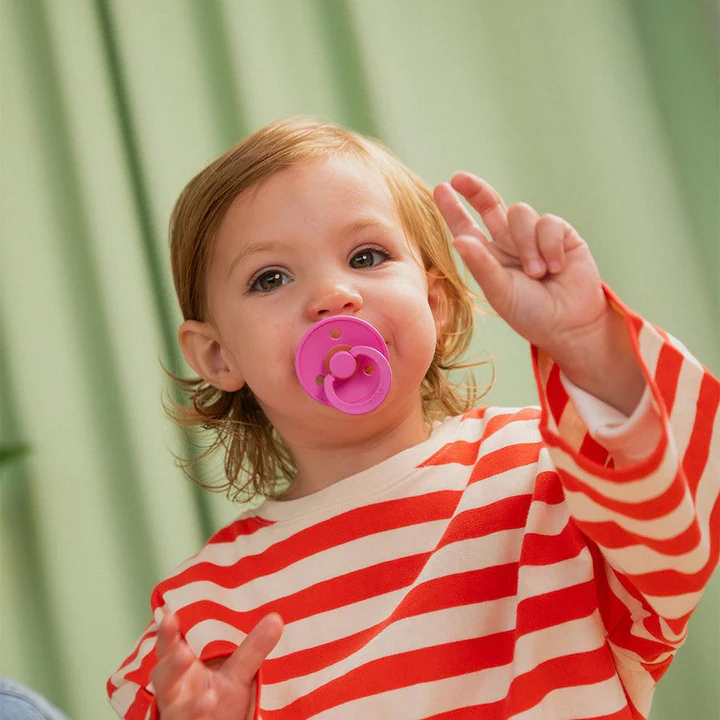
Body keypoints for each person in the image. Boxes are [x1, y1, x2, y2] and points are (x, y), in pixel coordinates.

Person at [107, 116, 719, 720]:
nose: (331, 295)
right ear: (218, 355)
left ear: (435, 303)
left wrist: (588, 344)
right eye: (271, 278)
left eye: (366, 256)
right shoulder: (204, 609)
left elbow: (681, 532)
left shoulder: (545, 470)